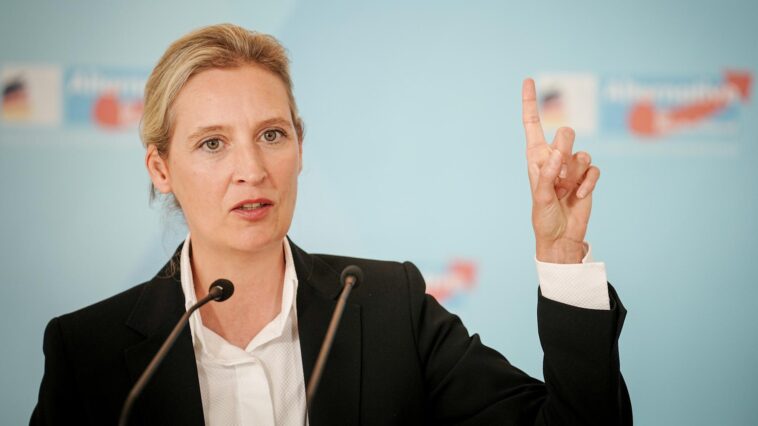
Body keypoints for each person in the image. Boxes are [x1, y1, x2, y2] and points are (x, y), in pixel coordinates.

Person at [30, 23, 631, 425]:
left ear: (299, 146)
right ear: (161, 169)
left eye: (272, 135)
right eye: (213, 143)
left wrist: (560, 254)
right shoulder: (88, 353)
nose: (252, 170)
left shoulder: (390, 308)